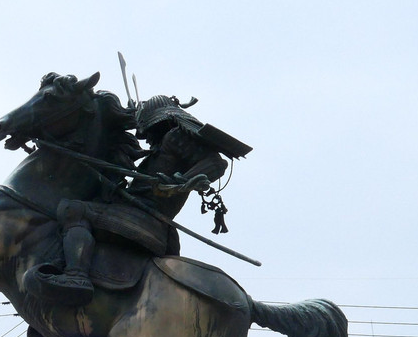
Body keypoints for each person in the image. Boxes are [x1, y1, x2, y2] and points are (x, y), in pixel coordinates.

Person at [24, 94, 249, 306]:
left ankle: (76, 276)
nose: (146, 137)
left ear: (157, 121)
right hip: (140, 213)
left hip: (146, 217)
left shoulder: (174, 137)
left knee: (72, 210)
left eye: (147, 130)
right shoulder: (158, 151)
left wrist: (178, 184)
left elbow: (216, 164)